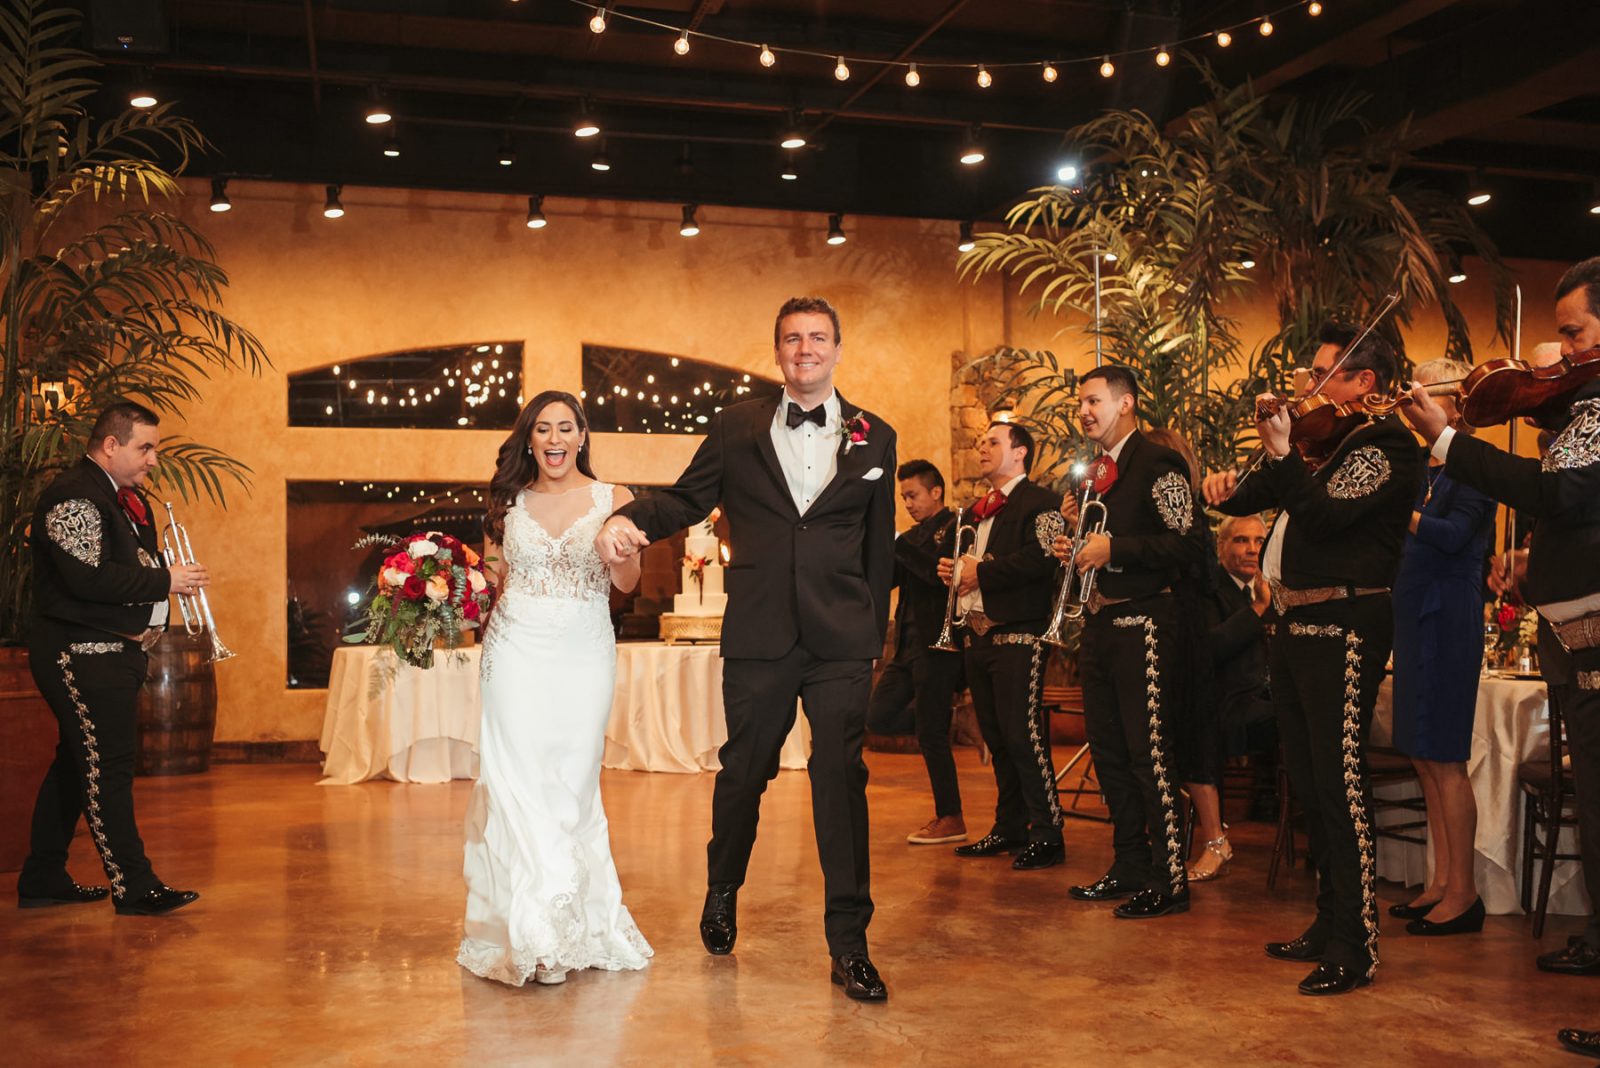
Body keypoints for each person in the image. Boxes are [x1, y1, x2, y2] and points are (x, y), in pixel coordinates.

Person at [595, 297, 896, 1001]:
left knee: (839, 778)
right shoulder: (736, 426)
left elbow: (878, 546)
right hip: (761, 633)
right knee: (745, 771)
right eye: (792, 338)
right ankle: (723, 886)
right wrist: (625, 518)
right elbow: (686, 500)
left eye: (817, 337)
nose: (805, 348)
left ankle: (850, 944)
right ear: (778, 351)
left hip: (841, 639)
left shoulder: (875, 435)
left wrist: (872, 634)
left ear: (837, 349)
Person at [1402, 257, 1600, 997]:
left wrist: (1450, 442)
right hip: (1572, 635)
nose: (1565, 354)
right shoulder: (1583, 407)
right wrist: (1532, 558)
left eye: (1575, 334)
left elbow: (1556, 489)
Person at [1203, 323, 1418, 996]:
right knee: (1309, 778)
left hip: (1347, 621)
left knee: (1340, 783)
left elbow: (1322, 516)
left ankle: (1357, 943)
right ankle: (1329, 922)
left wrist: (1285, 455)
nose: (1310, 385)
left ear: (1364, 381)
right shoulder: (1323, 441)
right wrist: (1225, 486)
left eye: (1325, 373)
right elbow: (1259, 496)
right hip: (1297, 623)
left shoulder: (1387, 445)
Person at [458, 390, 652, 987]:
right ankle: (534, 936)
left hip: (583, 651)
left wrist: (621, 551)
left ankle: (571, 922)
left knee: (570, 783)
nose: (555, 439)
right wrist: (446, 596)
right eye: (543, 429)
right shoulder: (507, 502)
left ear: (583, 436)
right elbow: (493, 580)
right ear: (530, 439)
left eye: (566, 427)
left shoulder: (614, 498)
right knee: (517, 783)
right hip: (513, 651)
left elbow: (628, 583)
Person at [15, 401, 206, 916]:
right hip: (80, 653)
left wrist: (158, 591)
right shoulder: (74, 495)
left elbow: (124, 566)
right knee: (110, 767)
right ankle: (134, 885)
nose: (153, 460)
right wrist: (166, 580)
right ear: (110, 445)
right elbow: (89, 578)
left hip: (109, 652)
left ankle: (42, 876)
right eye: (145, 448)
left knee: (76, 765)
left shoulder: (123, 500)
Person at [1055, 368, 1205, 919]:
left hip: (1145, 621)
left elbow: (1190, 542)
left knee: (1149, 755)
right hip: (1100, 623)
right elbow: (1098, 546)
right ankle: (1129, 864)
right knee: (1110, 752)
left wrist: (1113, 549)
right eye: (1081, 402)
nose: (1084, 411)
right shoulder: (1096, 474)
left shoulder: (1158, 462)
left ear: (1126, 404)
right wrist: (1075, 545)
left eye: (1094, 400)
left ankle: (1169, 878)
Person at [1387, 358, 1495, 936]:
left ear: (1457, 404)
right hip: (1413, 613)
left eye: (1426, 393)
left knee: (1446, 756)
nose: (1413, 402)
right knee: (1423, 755)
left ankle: (1464, 892)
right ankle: (1440, 880)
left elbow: (1454, 536)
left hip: (1449, 615)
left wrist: (1400, 516)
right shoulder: (1418, 464)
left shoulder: (1474, 463)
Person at [939, 421, 1064, 870]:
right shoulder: (978, 510)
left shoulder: (1041, 501)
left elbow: (1043, 559)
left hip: (1020, 633)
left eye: (993, 442)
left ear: (1020, 452)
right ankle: (1009, 826)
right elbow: (974, 566)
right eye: (980, 443)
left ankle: (1048, 832)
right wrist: (955, 572)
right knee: (996, 736)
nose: (982, 448)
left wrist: (980, 573)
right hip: (979, 635)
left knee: (1022, 735)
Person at [868, 460, 966, 845]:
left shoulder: (955, 528)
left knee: (930, 734)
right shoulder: (910, 538)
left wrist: (896, 542)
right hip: (907, 646)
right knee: (878, 715)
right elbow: (889, 579)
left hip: (938, 647)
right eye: (903, 497)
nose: (907, 503)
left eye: (913, 495)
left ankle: (951, 816)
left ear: (936, 492)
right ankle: (942, 720)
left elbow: (935, 573)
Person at [1205, 514, 1278, 837]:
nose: (1252, 549)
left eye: (1259, 541)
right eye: (1241, 540)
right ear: (1221, 546)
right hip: (1223, 705)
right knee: (1297, 721)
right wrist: (1258, 608)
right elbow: (1211, 648)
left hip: (1264, 698)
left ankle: (1292, 814)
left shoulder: (1271, 587)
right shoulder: (1208, 590)